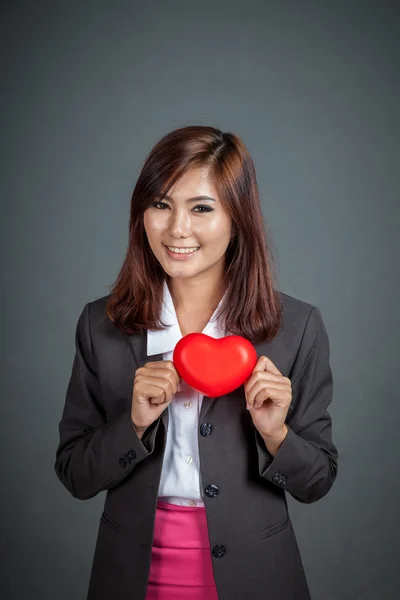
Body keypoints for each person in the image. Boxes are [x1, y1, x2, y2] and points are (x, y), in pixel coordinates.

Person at [54, 125, 339, 600]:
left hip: (255, 576)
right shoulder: (99, 326)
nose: (176, 229)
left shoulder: (298, 327)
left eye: (201, 208)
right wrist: (134, 424)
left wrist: (276, 434)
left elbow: (318, 481)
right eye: (160, 205)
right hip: (131, 575)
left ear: (237, 218)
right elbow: (74, 473)